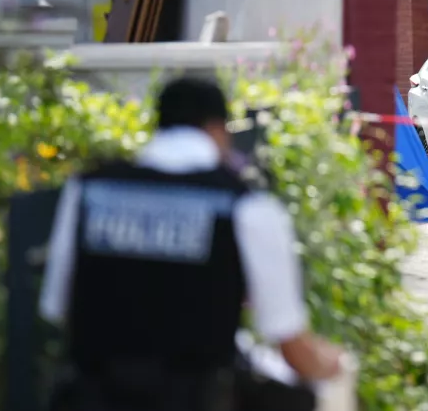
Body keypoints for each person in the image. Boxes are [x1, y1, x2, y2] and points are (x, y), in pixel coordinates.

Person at [39, 76, 346, 411]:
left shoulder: (88, 190)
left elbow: (59, 306)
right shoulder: (245, 205)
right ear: (218, 130)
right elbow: (288, 340)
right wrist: (331, 366)